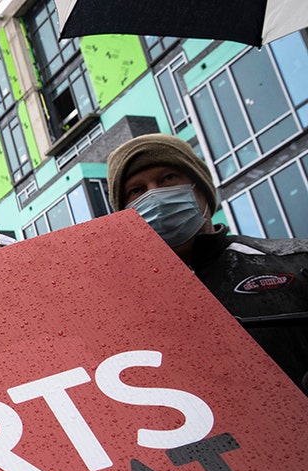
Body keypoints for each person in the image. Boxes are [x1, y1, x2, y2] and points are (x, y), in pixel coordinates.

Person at [107, 133, 308, 391]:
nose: (155, 195)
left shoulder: (294, 260)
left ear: (200, 188)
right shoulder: (126, 311)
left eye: (168, 178)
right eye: (137, 190)